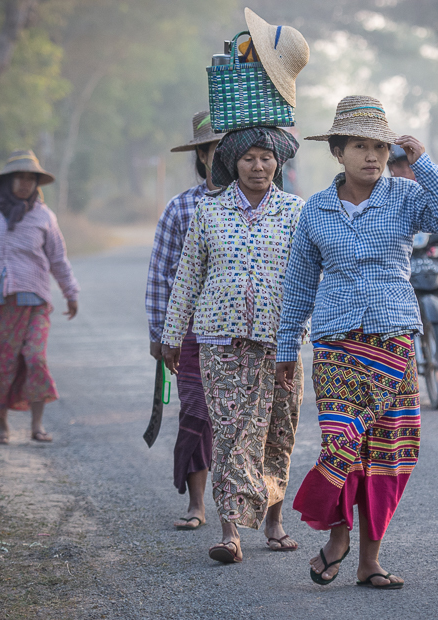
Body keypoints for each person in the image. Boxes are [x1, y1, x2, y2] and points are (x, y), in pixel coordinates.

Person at [275, 96, 438, 589]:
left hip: (394, 339)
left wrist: (422, 161)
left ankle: (369, 561)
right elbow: (298, 285)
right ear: (338, 152)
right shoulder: (315, 210)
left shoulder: (405, 196)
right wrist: (285, 350)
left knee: (386, 452)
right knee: (344, 444)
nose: (372, 157)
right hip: (337, 344)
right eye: (360, 146)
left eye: (380, 147)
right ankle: (338, 540)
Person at [160, 126, 305, 564]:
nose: (258, 166)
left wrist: (302, 334)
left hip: (278, 344)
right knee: (229, 433)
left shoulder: (296, 212)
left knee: (278, 431)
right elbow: (187, 276)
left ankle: (274, 521)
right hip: (219, 341)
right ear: (232, 164)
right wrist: (171, 334)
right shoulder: (210, 212)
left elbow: (306, 279)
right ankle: (229, 533)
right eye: (248, 159)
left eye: (266, 158)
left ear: (278, 163)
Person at [0, 150, 79, 445]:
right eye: (19, 177)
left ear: (37, 182)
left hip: (35, 305)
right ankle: (2, 428)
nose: (25, 183)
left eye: (30, 178)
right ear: (7, 181)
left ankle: (37, 426)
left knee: (35, 359)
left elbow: (58, 260)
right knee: (0, 366)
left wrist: (70, 292)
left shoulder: (45, 217)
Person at [146, 111, 224, 530]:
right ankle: (197, 504)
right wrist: (161, 335)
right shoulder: (180, 209)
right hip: (191, 330)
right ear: (202, 156)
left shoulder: (264, 208)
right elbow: (161, 275)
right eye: (216, 150)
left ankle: (251, 509)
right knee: (196, 410)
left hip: (242, 333)